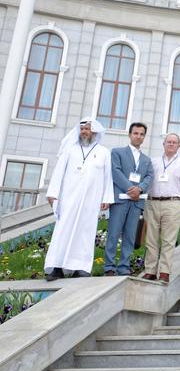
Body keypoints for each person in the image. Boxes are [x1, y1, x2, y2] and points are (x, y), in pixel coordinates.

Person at [45, 118, 114, 280]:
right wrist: (52, 193)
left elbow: (107, 177)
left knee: (85, 234)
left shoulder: (104, 152)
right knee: (63, 231)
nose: (84, 131)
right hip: (68, 199)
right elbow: (58, 173)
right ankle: (56, 268)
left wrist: (107, 198)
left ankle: (81, 268)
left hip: (91, 201)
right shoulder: (70, 150)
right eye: (82, 129)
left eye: (88, 129)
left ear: (94, 132)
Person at [104, 122, 154, 276]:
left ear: (144, 137)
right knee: (113, 233)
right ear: (130, 134)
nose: (138, 136)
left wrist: (139, 189)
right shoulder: (117, 152)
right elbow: (116, 171)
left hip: (136, 202)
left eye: (141, 134)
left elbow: (150, 176)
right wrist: (130, 188)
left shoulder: (146, 159)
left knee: (130, 235)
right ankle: (109, 267)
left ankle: (124, 266)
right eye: (136, 133)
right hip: (121, 199)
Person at [144, 133, 180, 283]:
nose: (171, 144)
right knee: (151, 239)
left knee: (168, 240)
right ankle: (150, 271)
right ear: (163, 144)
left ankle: (164, 272)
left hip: (173, 204)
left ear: (179, 146)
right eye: (168, 142)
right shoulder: (153, 162)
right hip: (152, 202)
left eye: (174, 142)